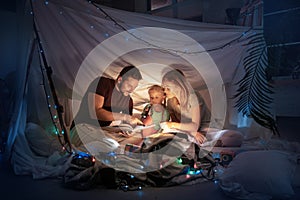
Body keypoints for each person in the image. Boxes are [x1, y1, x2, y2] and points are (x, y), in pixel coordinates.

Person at [160, 69, 243, 147]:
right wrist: (192, 133)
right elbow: (178, 124)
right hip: (188, 131)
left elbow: (194, 126)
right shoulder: (170, 102)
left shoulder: (193, 97)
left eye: (168, 88)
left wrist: (172, 124)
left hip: (205, 127)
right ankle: (206, 143)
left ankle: (212, 142)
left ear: (178, 85)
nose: (165, 91)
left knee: (236, 138)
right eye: (164, 88)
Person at [73, 65, 144, 130]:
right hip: (82, 127)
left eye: (134, 88)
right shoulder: (102, 83)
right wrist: (125, 117)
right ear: (120, 80)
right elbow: (95, 113)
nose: (131, 91)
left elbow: (127, 122)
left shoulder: (128, 101)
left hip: (103, 131)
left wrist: (132, 126)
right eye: (129, 86)